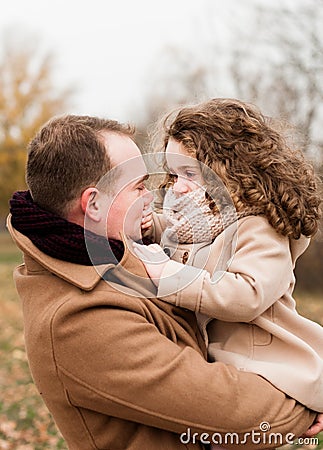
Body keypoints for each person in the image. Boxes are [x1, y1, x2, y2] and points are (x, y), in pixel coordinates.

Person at [7, 114, 321, 450]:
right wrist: (302, 410)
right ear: (94, 205)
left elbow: (235, 281)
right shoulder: (77, 319)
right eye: (139, 187)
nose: (153, 196)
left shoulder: (105, 256)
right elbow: (239, 412)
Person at [133, 98, 323, 421]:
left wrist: (168, 276)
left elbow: (245, 294)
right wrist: (154, 226)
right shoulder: (205, 219)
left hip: (269, 368)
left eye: (188, 173)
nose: (177, 187)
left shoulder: (259, 227)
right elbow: (184, 238)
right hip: (224, 366)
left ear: (228, 170)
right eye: (173, 174)